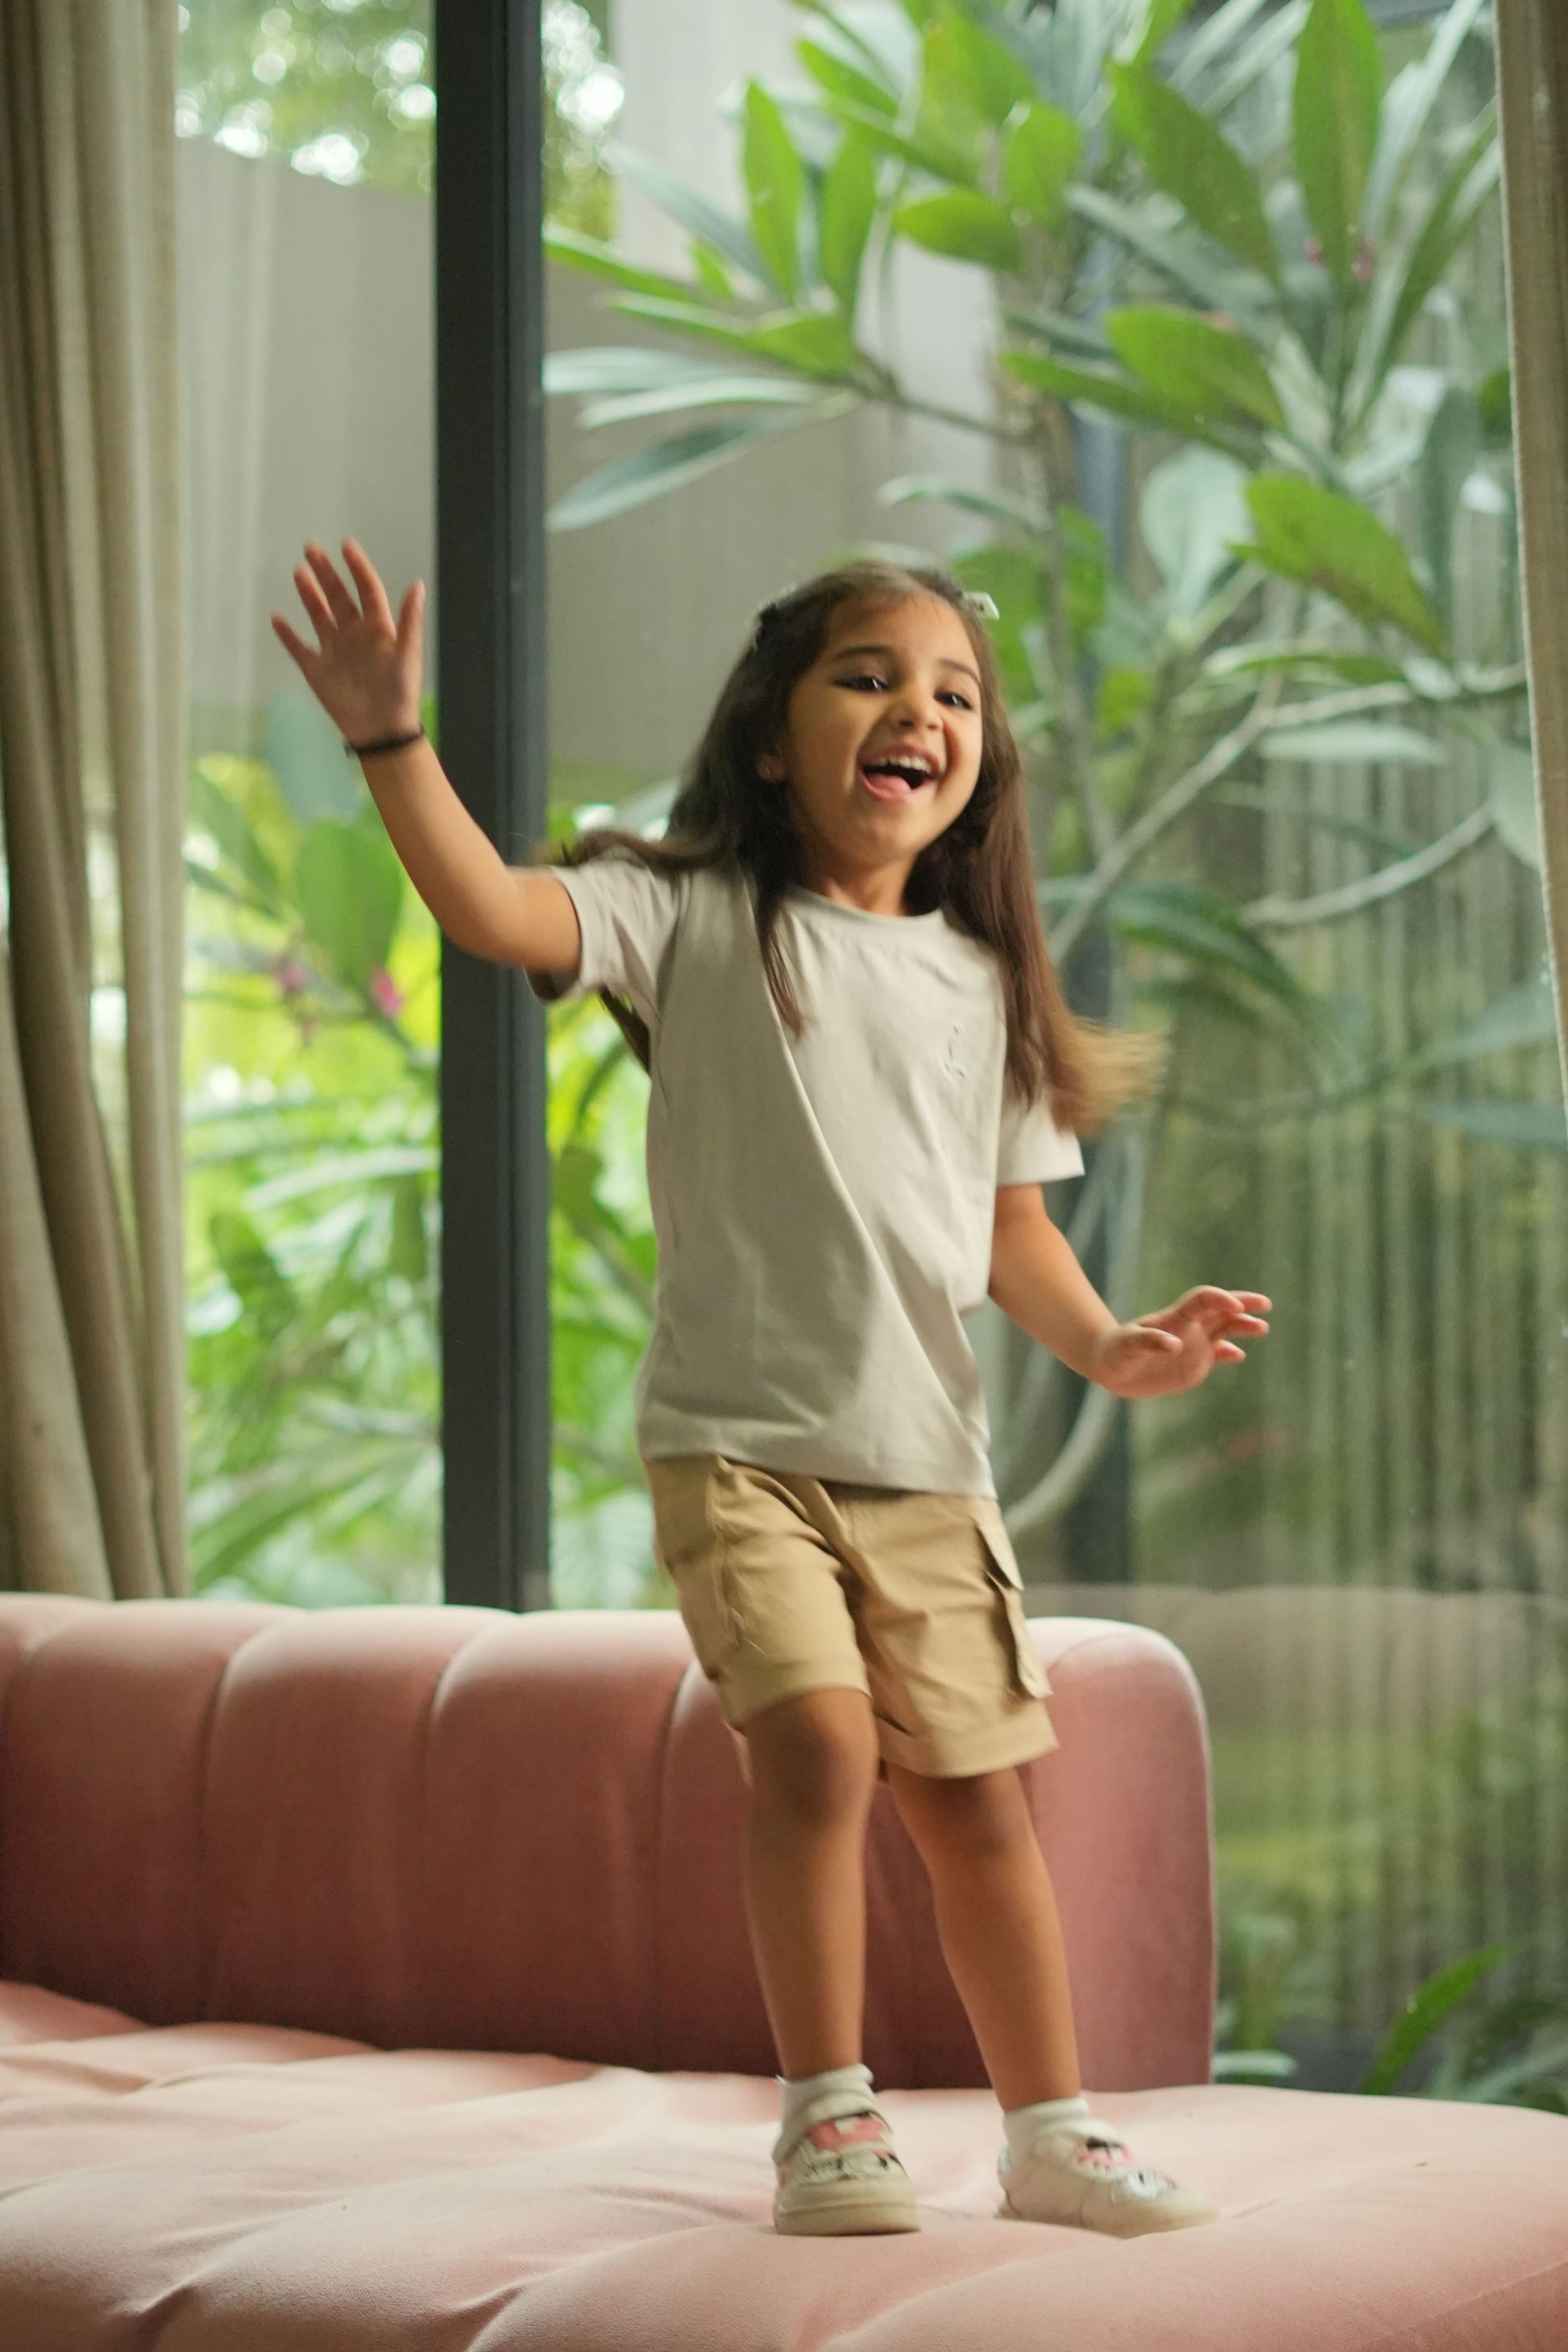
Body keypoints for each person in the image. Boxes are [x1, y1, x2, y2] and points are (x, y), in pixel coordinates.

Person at [273, 539, 1270, 2243]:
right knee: (813, 1744)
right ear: (768, 738)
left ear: (975, 772)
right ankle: (827, 2113)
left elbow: (1007, 1224)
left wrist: (1109, 1343)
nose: (917, 710)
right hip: (737, 1450)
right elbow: (495, 907)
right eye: (869, 675)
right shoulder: (693, 915)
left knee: (973, 1800)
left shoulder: (981, 982)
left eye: (953, 692)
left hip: (927, 1465)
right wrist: (389, 742)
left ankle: (1052, 2131)